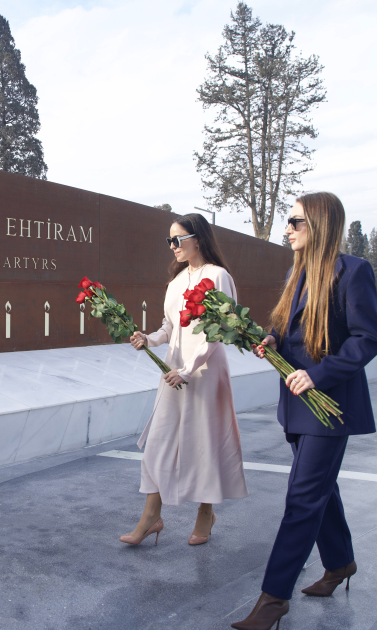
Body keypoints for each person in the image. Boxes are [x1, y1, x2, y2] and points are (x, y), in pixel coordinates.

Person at [231, 192, 377, 630]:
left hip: (330, 404)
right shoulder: (296, 271)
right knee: (319, 488)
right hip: (297, 402)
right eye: (288, 221)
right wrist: (272, 340)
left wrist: (319, 374)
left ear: (318, 222)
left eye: (295, 221)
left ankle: (273, 598)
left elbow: (366, 339)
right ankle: (340, 563)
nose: (287, 229)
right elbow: (285, 325)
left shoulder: (353, 271)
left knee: (302, 497)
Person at [122, 213, 247, 546]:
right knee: (159, 443)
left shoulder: (219, 276)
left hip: (205, 372)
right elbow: (169, 328)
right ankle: (152, 516)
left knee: (205, 441)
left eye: (178, 239)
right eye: (169, 241)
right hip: (173, 370)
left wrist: (189, 369)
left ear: (198, 239)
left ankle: (206, 513)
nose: (172, 246)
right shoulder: (175, 282)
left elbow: (218, 332)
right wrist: (147, 339)